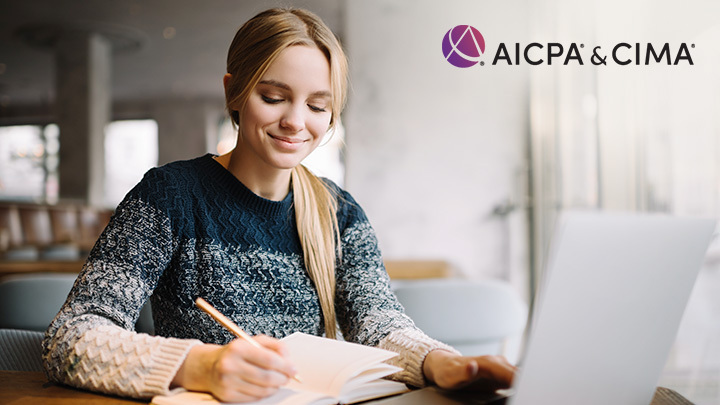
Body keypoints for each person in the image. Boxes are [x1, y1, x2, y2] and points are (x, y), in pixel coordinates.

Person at [43, 7, 515, 403]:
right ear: (234, 91)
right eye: (274, 97)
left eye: (317, 105)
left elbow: (379, 322)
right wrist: (199, 365)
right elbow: (72, 337)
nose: (295, 121)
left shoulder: (339, 212)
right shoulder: (170, 195)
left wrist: (442, 361)